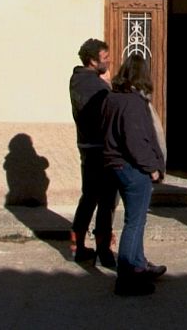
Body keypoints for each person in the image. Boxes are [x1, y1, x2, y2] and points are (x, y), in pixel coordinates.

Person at [102, 54, 167, 296]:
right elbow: (136, 140)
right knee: (134, 222)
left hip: (116, 166)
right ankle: (126, 278)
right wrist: (151, 167)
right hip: (132, 169)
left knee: (137, 220)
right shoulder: (133, 103)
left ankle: (139, 266)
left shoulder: (112, 98)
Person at [69, 38, 119, 266]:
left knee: (89, 196)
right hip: (101, 149)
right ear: (92, 60)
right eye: (105, 58)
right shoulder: (96, 86)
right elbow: (109, 113)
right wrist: (109, 87)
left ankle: (78, 245)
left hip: (87, 147)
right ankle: (104, 250)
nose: (109, 61)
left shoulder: (77, 79)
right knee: (106, 199)